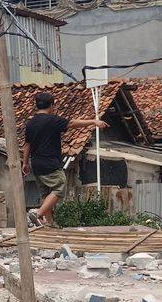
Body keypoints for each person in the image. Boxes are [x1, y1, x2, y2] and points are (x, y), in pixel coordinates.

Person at [22, 92, 108, 227]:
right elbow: (72, 123)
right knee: (59, 187)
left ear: (36, 105)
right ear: (51, 105)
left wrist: (25, 163)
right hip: (50, 163)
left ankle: (48, 222)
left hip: (36, 164)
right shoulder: (52, 120)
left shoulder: (30, 124)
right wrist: (93, 121)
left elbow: (27, 145)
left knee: (46, 192)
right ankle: (37, 214)